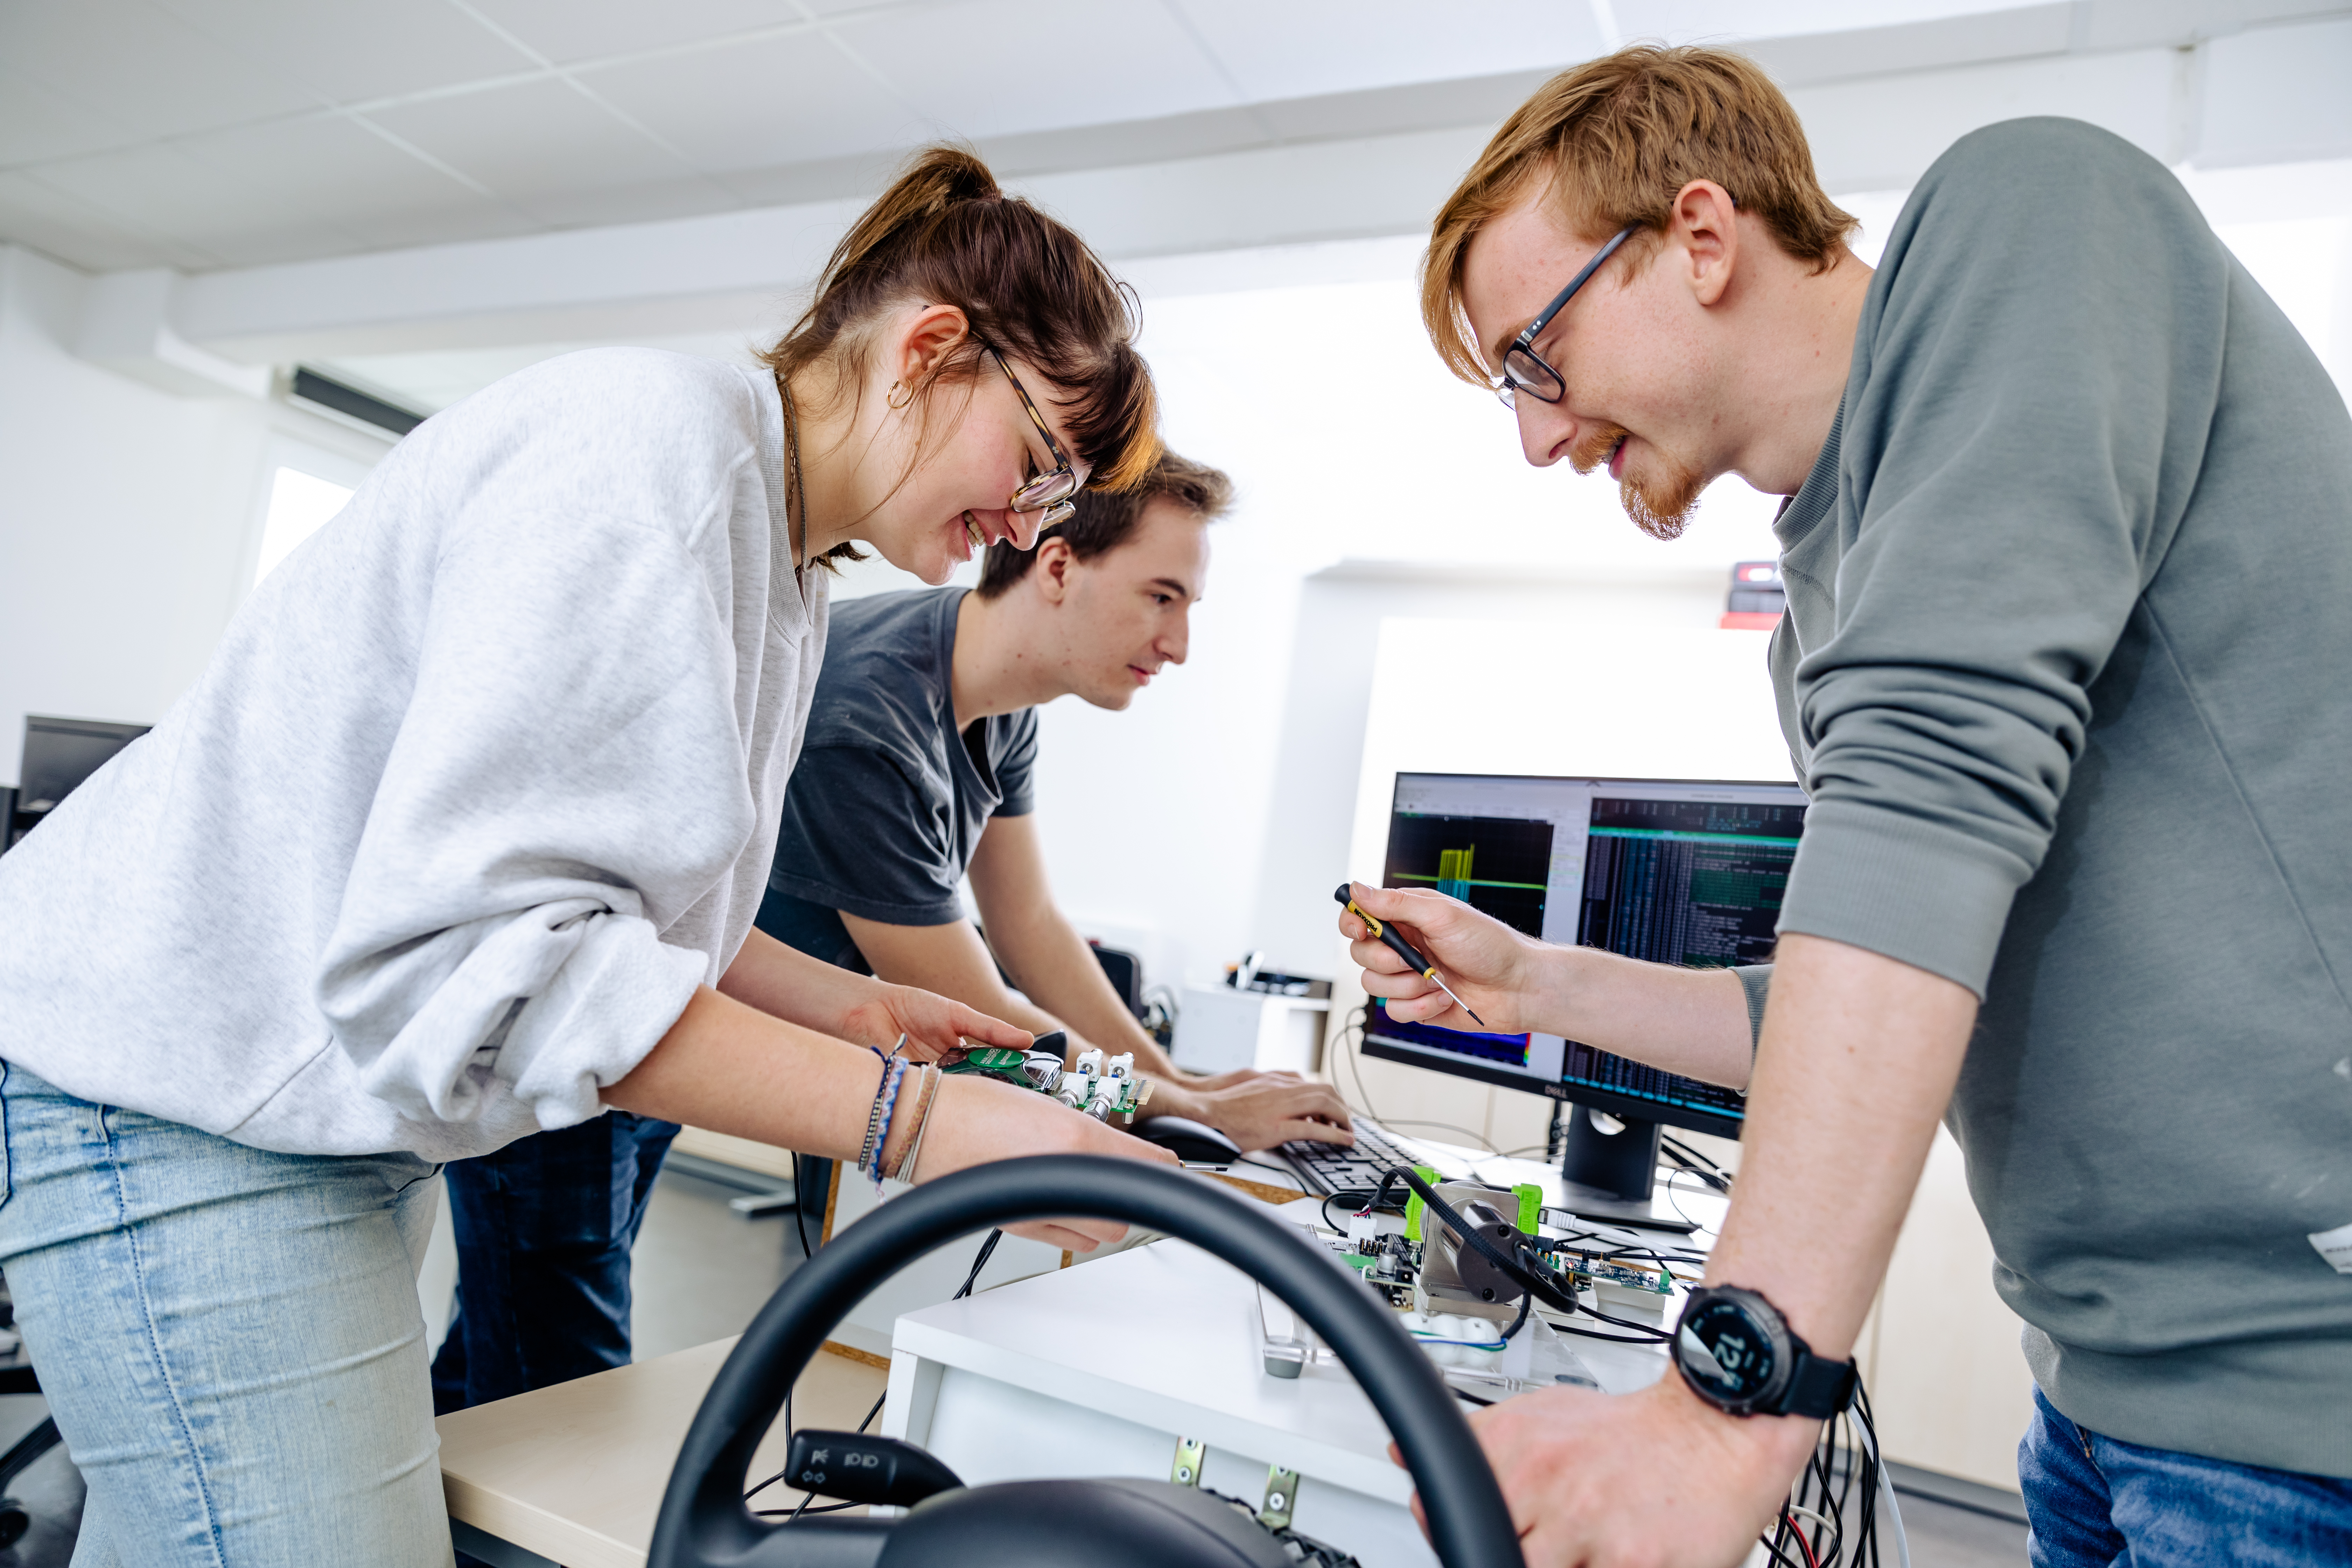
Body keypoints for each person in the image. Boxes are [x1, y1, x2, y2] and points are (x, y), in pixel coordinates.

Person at [0, 145, 1177, 1566]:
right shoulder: (656, 464)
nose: (1029, 523)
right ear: (933, 349)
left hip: (296, 1112)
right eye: (1041, 463)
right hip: (174, 1100)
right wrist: (916, 1125)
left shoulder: (780, 558)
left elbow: (601, 882)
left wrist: (841, 1007)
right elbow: (484, 955)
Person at [1344, 45, 2352, 1567]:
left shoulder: (2030, 206)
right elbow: (1870, 979)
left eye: (1535, 361)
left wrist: (1726, 1399)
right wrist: (1541, 985)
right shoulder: (1827, 605)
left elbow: (1936, 788)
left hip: (2299, 1391)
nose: (1538, 439)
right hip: (2102, 1393)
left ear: (1698, 235)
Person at [758, 450, 1355, 1152]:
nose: (1180, 646)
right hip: (651, 1012)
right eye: (1161, 596)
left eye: (1189, 606)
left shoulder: (995, 695)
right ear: (1058, 567)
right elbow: (977, 1015)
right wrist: (1199, 1112)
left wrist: (1185, 1090)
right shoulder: (870, 721)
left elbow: (1030, 923)